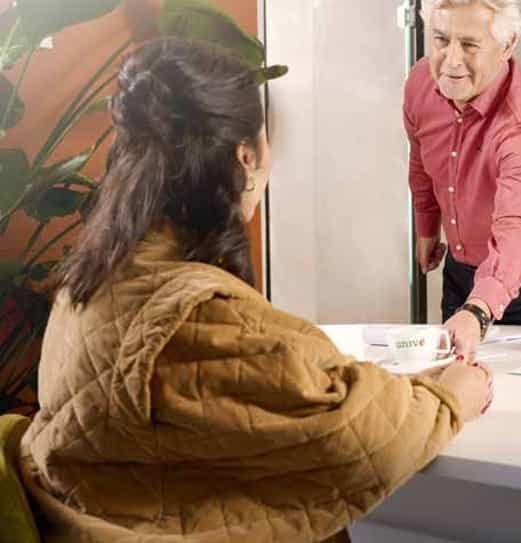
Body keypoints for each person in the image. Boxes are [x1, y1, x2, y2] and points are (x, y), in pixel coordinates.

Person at [19, 38, 491, 543]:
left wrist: (409, 385)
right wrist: (449, 398)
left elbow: (257, 395)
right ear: (245, 157)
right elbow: (353, 434)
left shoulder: (91, 280)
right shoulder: (194, 316)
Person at [404, 0, 521, 356]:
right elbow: (421, 158)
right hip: (462, 262)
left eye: (470, 45)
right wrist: (427, 225)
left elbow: (517, 227)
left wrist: (477, 310)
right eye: (441, 39)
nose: (451, 61)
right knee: (456, 371)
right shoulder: (421, 82)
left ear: (507, 44)